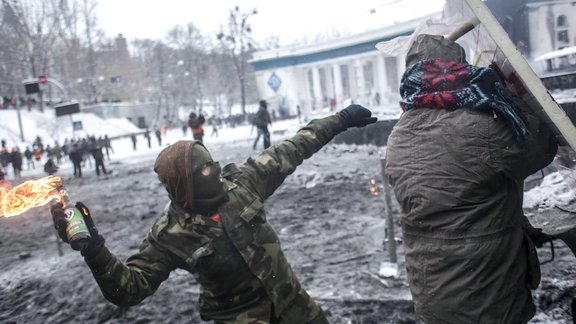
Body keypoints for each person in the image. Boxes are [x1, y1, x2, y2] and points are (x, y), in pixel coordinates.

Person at [51, 104, 377, 323]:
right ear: (186, 185)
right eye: (206, 167)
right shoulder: (169, 235)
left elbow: (293, 147)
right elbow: (129, 289)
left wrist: (341, 120)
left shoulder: (243, 182)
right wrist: (94, 251)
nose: (217, 168)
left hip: (297, 309)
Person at [384, 34, 559, 323]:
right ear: (456, 70)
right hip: (485, 294)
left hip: (432, 289)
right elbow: (542, 148)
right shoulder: (479, 127)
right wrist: (511, 97)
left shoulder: (398, 134)